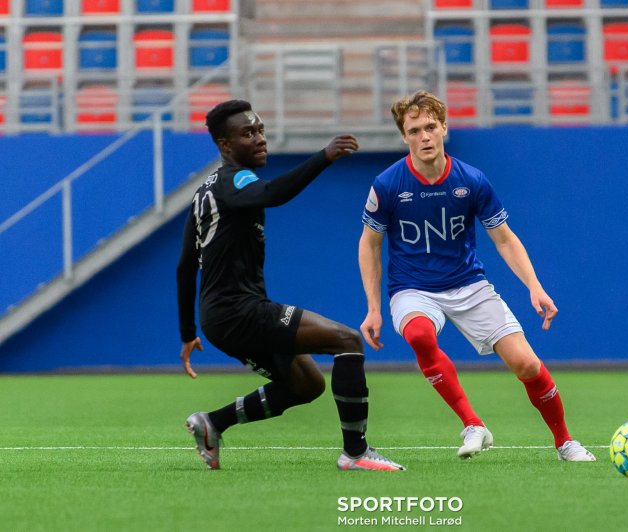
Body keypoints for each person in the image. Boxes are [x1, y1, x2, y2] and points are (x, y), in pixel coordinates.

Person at [358, 90, 595, 462]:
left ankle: (565, 443)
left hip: (469, 284)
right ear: (404, 137)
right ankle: (473, 424)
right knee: (419, 335)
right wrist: (374, 309)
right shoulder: (388, 185)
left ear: (444, 128)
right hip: (412, 288)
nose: (424, 136)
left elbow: (504, 238)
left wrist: (534, 286)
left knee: (527, 364)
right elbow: (369, 245)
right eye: (415, 130)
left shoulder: (472, 180)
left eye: (430, 127)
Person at [177, 99, 404, 472]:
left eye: (260, 129)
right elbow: (272, 194)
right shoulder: (235, 178)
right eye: (248, 133)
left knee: (306, 384)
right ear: (225, 145)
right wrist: (324, 157)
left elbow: (186, 266)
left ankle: (212, 423)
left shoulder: (205, 193)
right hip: (239, 311)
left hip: (219, 318)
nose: (260, 138)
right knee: (347, 341)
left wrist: (188, 331)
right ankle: (356, 453)